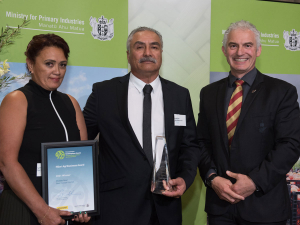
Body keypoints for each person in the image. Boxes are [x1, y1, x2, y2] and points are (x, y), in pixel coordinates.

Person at [83, 27, 200, 225]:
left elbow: (190, 146)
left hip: (165, 209)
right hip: (115, 209)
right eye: (139, 47)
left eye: (154, 47)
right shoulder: (104, 93)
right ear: (128, 55)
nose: (147, 53)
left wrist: (185, 178)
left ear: (161, 53)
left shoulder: (180, 95)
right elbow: (80, 142)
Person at [197, 20, 300, 225]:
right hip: (220, 208)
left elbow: (290, 144)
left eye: (248, 45)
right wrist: (211, 178)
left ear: (258, 50)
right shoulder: (208, 93)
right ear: (224, 50)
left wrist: (254, 181)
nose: (240, 52)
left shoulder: (282, 92)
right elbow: (201, 142)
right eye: (233, 45)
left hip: (264, 208)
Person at [0, 34, 90, 225]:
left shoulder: (71, 103)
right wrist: (42, 211)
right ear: (30, 65)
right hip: (25, 209)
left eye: (62, 64)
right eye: (49, 64)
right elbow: (6, 162)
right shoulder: (17, 100)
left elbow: (83, 159)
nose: (57, 71)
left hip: (65, 210)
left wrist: (86, 203)